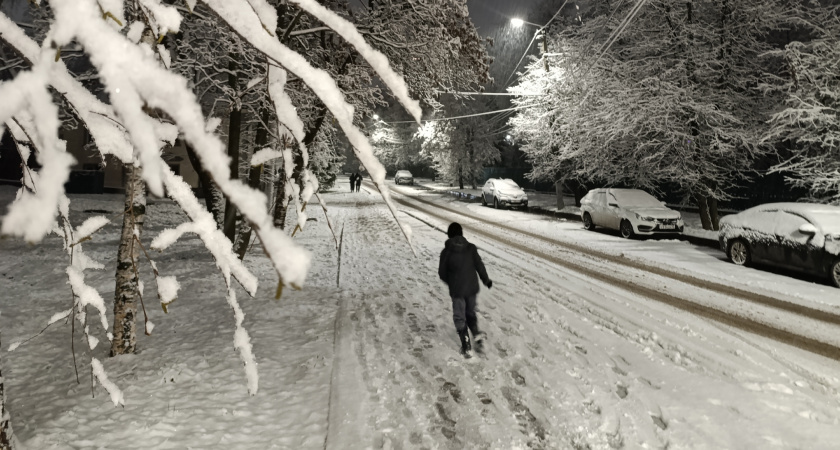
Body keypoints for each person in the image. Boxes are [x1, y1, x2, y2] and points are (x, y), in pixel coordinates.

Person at [438, 222, 492, 358]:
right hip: (471, 288)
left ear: (449, 235)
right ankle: (477, 337)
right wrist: (486, 280)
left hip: (457, 291)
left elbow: (442, 273)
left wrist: (452, 282)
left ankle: (466, 346)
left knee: (459, 316)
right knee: (470, 313)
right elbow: (479, 265)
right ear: (462, 234)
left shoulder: (446, 252)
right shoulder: (471, 248)